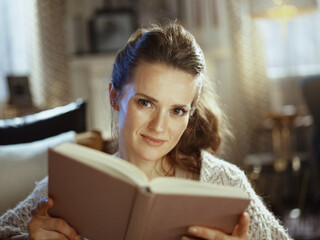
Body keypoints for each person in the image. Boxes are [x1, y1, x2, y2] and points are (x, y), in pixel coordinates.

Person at [0, 21, 291, 240]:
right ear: (115, 96)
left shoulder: (226, 185)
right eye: (146, 103)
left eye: (177, 110)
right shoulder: (64, 188)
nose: (159, 127)